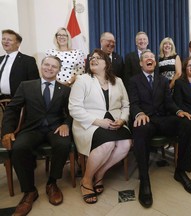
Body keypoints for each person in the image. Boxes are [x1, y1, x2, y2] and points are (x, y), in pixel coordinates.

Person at [1, 56, 72, 216]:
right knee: (19, 148)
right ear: (41, 66)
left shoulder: (65, 90)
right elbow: (12, 109)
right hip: (32, 129)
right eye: (47, 64)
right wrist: (7, 131)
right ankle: (29, 191)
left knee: (63, 144)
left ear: (58, 70)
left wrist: (66, 123)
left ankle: (52, 183)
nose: (50, 68)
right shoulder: (26, 86)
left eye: (54, 66)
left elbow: (71, 112)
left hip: (55, 128)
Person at [128, 49, 191, 208]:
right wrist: (138, 113)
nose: (150, 59)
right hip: (146, 119)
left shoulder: (163, 81)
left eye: (152, 57)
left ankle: (180, 171)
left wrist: (179, 111)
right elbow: (133, 103)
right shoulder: (134, 80)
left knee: (187, 123)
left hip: (163, 118)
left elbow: (169, 103)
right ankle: (144, 180)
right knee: (139, 129)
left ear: (155, 62)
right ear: (141, 63)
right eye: (146, 57)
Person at [69, 49, 131, 204]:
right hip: (89, 123)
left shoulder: (118, 81)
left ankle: (100, 175)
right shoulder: (82, 80)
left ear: (106, 63)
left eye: (98, 58)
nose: (94, 59)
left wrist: (123, 120)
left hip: (115, 120)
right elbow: (74, 109)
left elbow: (126, 105)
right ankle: (87, 180)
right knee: (108, 143)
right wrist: (98, 122)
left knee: (125, 144)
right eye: (92, 57)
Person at [0, 29, 39, 99]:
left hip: (18, 102)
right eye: (3, 39)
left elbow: (34, 86)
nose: (5, 41)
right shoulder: (0, 60)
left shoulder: (28, 61)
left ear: (18, 43)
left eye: (9, 40)